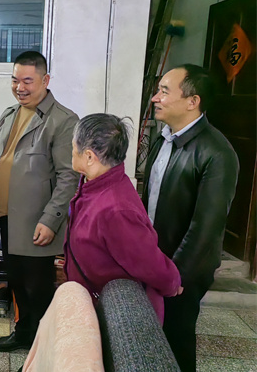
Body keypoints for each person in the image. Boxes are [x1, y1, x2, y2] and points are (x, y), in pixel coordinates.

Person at [0, 51, 79, 352]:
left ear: (45, 80)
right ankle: (23, 334)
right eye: (15, 80)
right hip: (6, 218)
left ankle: (41, 354)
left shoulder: (63, 121)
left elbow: (69, 177)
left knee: (38, 290)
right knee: (16, 282)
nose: (20, 87)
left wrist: (51, 220)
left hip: (36, 224)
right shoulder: (10, 114)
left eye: (28, 81)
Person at [143, 64, 239, 372]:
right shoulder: (163, 139)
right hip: (155, 261)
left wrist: (176, 276)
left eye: (164, 91)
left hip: (183, 270)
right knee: (154, 334)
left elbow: (205, 229)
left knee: (177, 336)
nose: (155, 98)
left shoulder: (217, 153)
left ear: (192, 101)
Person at [65, 113, 182, 323]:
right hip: (93, 302)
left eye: (73, 147)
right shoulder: (96, 184)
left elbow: (149, 262)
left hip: (119, 314)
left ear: (90, 157)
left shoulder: (116, 209)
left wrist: (172, 283)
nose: (71, 151)